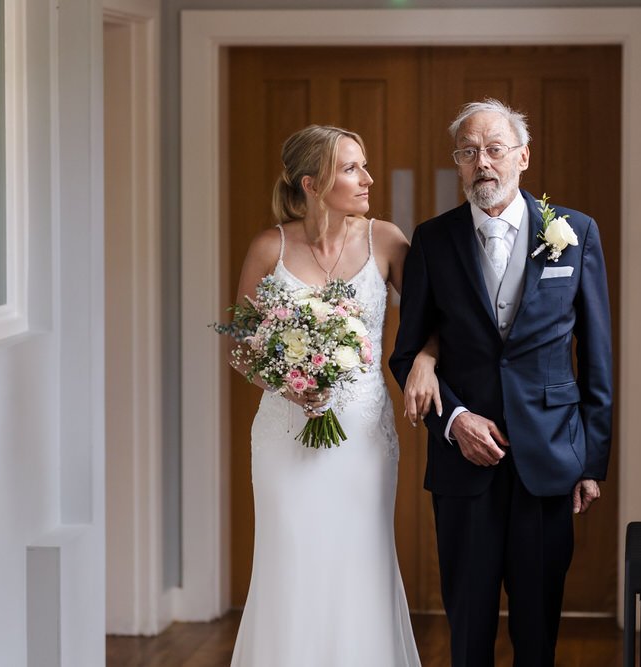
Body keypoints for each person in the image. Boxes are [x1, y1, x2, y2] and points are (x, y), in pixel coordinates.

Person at [390, 99, 614, 667]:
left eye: (494, 149)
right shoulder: (432, 241)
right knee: (468, 627)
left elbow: (597, 358)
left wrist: (591, 461)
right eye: (468, 152)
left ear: (523, 157)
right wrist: (455, 419)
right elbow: (405, 355)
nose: (481, 163)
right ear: (457, 165)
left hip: (550, 457)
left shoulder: (575, 232)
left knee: (539, 630)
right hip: (464, 466)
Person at [228, 125, 429, 667]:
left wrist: (427, 362)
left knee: (359, 562)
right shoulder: (269, 246)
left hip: (363, 437)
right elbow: (241, 348)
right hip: (283, 434)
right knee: (289, 562)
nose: (366, 179)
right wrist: (290, 384)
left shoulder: (385, 240)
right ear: (312, 183)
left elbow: (433, 321)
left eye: (363, 166)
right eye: (350, 169)